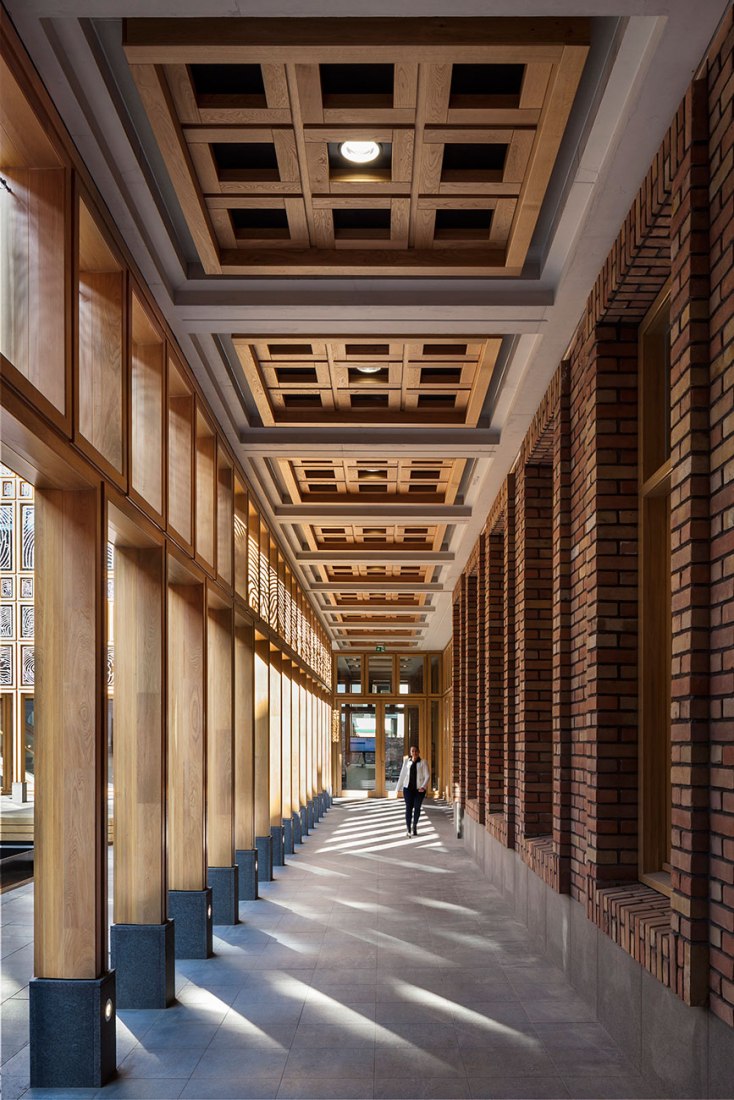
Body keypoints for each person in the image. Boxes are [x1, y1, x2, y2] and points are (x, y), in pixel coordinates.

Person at [395, 745, 430, 837]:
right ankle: (408, 829)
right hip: (408, 789)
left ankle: (414, 825)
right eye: (412, 751)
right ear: (410, 753)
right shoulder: (407, 761)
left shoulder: (423, 762)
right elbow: (402, 775)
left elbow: (427, 776)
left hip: (419, 790)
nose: (414, 753)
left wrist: (423, 786)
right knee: (408, 808)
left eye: (416, 751)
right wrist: (397, 788)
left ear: (419, 752)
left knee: (417, 808)